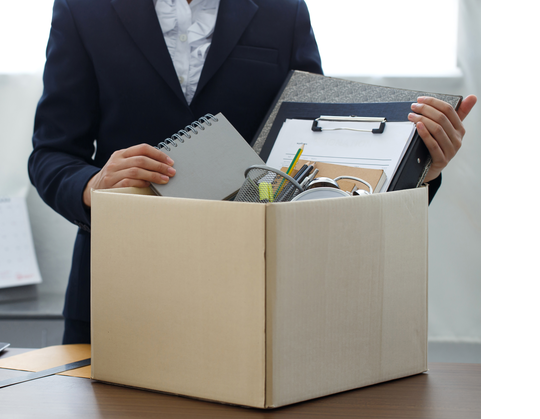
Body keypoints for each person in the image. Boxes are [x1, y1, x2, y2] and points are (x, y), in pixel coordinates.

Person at [28, 0, 478, 344]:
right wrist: (91, 185)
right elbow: (50, 152)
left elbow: (315, 157)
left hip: (252, 290)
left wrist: (421, 168)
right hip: (118, 285)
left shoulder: (283, 10)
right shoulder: (81, 8)